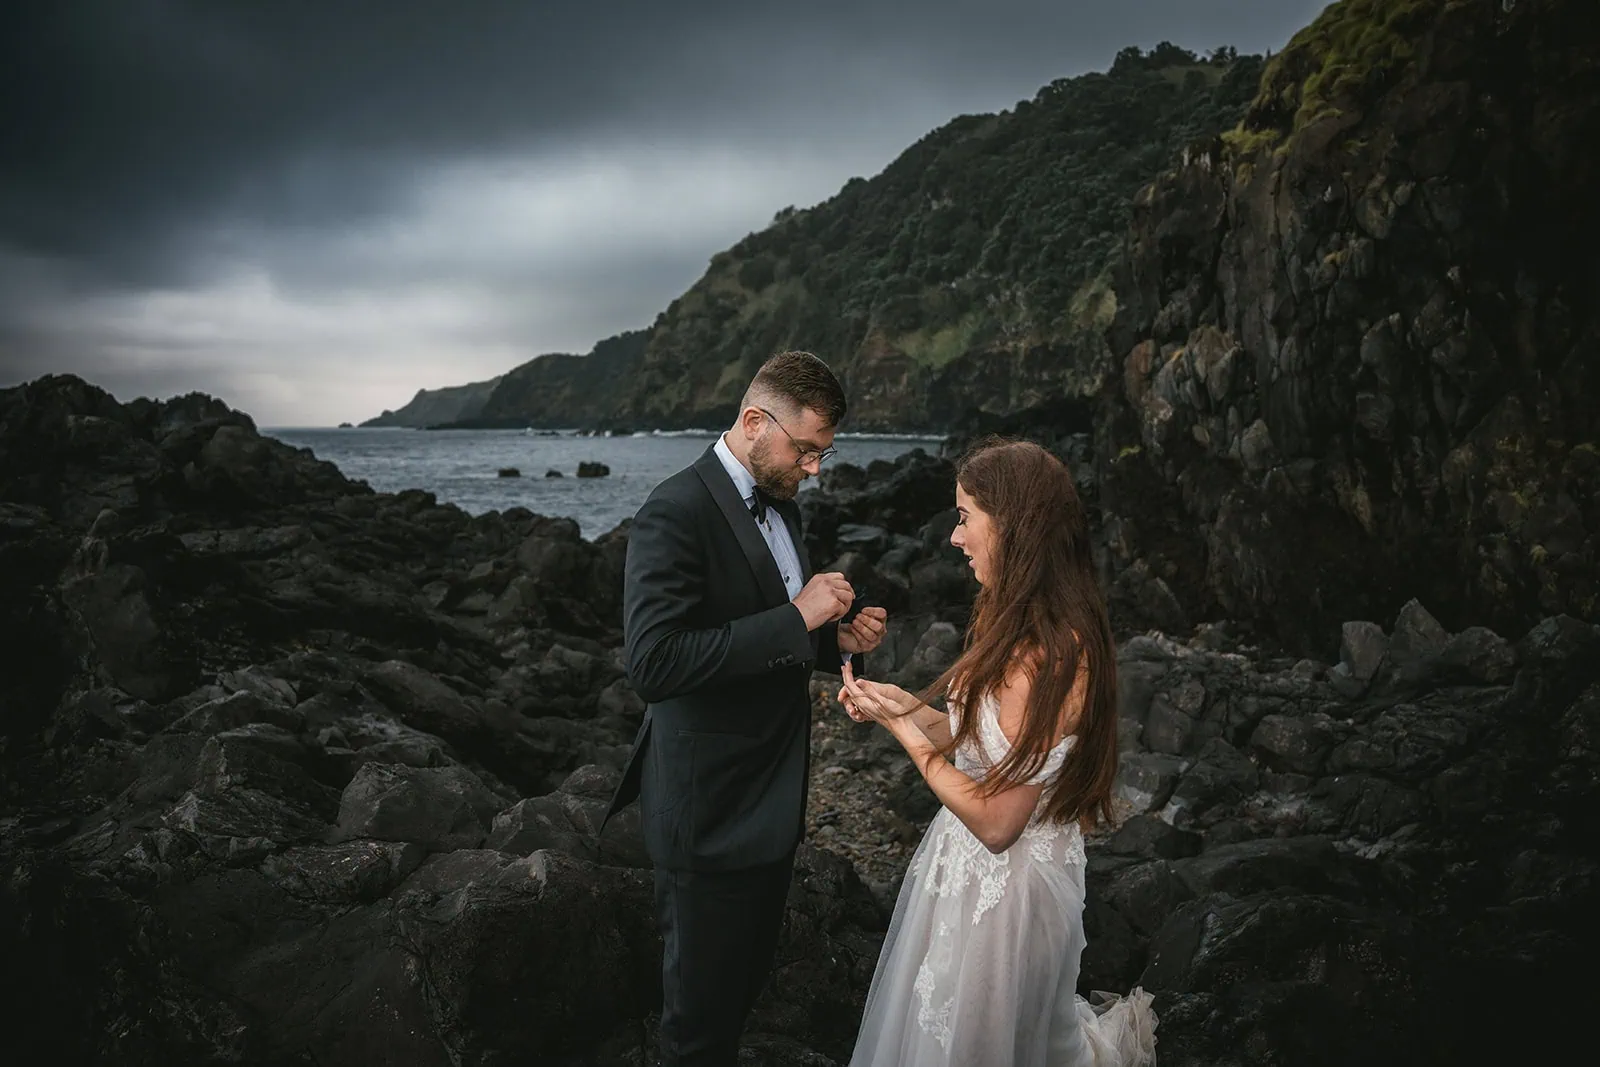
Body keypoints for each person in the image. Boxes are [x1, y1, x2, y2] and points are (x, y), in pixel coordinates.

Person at [602, 350, 890, 1067]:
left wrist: (834, 641)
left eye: (822, 453)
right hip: (707, 817)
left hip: (770, 810)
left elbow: (771, 633)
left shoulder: (781, 506)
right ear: (755, 421)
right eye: (807, 450)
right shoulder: (675, 508)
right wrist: (798, 617)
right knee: (696, 1031)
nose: (815, 468)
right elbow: (655, 662)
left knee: (737, 1005)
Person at [839, 437, 1157, 1067]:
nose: (954, 538)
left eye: (964, 517)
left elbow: (998, 821)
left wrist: (907, 740)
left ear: (1013, 525)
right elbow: (979, 742)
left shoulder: (1049, 653)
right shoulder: (1013, 619)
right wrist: (900, 709)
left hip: (1008, 903)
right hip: (966, 882)